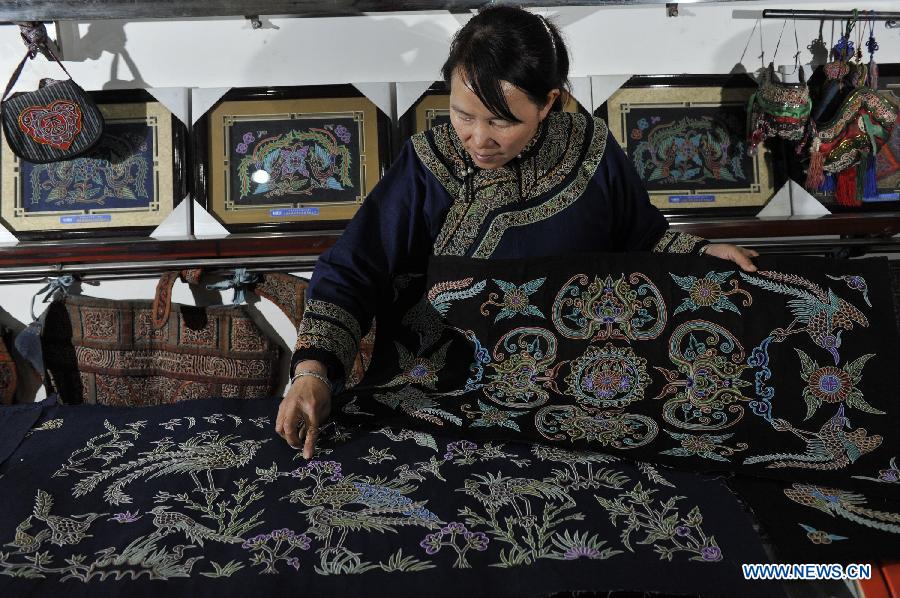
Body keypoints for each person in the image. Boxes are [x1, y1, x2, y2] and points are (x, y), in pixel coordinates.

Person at [275, 6, 758, 457]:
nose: (478, 139)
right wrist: (312, 372)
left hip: (578, 400)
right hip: (440, 397)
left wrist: (701, 252)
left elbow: (644, 239)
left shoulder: (591, 151)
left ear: (548, 102)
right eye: (463, 115)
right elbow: (354, 268)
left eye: (501, 121)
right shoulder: (427, 165)